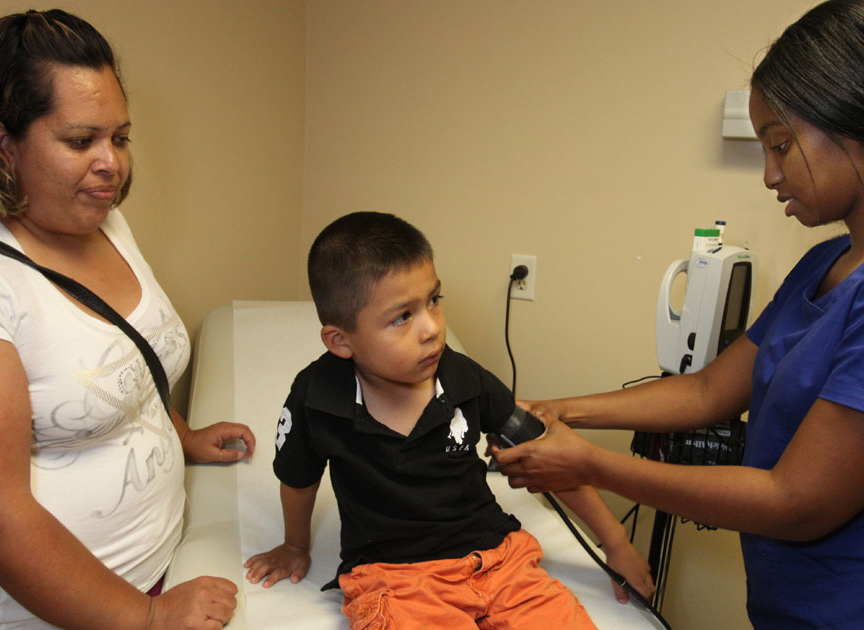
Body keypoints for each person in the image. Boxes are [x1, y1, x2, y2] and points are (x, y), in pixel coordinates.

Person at [493, 0, 864, 628]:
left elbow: (796, 501)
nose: (768, 174)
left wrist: (589, 463)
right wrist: (562, 411)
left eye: (780, 144)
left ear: (853, 118)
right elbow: (706, 391)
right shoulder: (830, 262)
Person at [0, 10, 256, 630]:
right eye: (81, 142)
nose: (112, 164)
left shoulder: (103, 222)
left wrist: (181, 436)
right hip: (12, 616)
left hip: (146, 576)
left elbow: (117, 361)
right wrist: (148, 618)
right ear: (3, 143)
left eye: (121, 138)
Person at [242, 211, 654, 628]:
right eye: (402, 317)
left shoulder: (465, 379)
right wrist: (295, 544)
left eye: (434, 301)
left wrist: (615, 544)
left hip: (498, 560)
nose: (432, 329)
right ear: (341, 341)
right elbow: (298, 478)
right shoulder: (317, 400)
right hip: (396, 578)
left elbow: (550, 456)